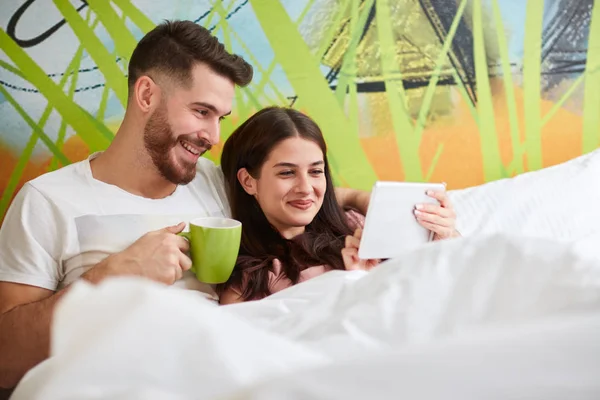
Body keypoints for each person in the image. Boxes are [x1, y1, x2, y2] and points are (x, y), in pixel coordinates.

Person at [0, 21, 368, 390]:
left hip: (226, 376)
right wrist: (111, 276)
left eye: (220, 118)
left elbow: (290, 189)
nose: (213, 136)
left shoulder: (212, 181)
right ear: (146, 95)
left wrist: (363, 199)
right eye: (201, 112)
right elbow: (6, 361)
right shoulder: (47, 201)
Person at [217, 107, 459, 304]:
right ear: (248, 181)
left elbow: (443, 288)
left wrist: (444, 239)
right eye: (287, 172)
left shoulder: (354, 227)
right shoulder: (246, 283)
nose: (306, 187)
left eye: (315, 171)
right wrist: (356, 285)